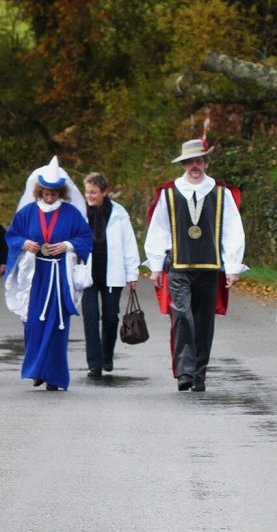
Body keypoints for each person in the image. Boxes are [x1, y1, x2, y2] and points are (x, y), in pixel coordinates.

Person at [144, 138, 246, 392]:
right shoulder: (169, 193)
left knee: (204, 321)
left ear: (206, 162)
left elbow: (233, 230)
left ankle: (200, 373)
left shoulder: (221, 193)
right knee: (181, 316)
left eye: (198, 161)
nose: (194, 166)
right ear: (183, 165)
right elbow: (158, 230)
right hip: (178, 266)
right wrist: (156, 265)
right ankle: (185, 372)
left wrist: (232, 266)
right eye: (189, 162)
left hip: (210, 268)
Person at [4, 157, 92, 391]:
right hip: (35, 276)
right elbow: (11, 236)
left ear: (60, 192)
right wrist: (24, 243)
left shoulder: (71, 213)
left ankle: (54, 376)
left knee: (57, 324)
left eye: (54, 193)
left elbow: (85, 238)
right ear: (39, 191)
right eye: (46, 193)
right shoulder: (28, 213)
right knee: (33, 323)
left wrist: (67, 245)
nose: (50, 197)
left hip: (59, 276)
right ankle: (37, 370)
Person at [82, 173, 140, 378]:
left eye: (94, 192)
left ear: (104, 192)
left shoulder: (118, 213)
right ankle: (94, 364)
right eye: (87, 191)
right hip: (87, 274)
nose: (89, 196)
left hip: (112, 273)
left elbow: (129, 243)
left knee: (110, 318)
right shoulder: (79, 212)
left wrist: (132, 273)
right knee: (90, 318)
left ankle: (107, 355)